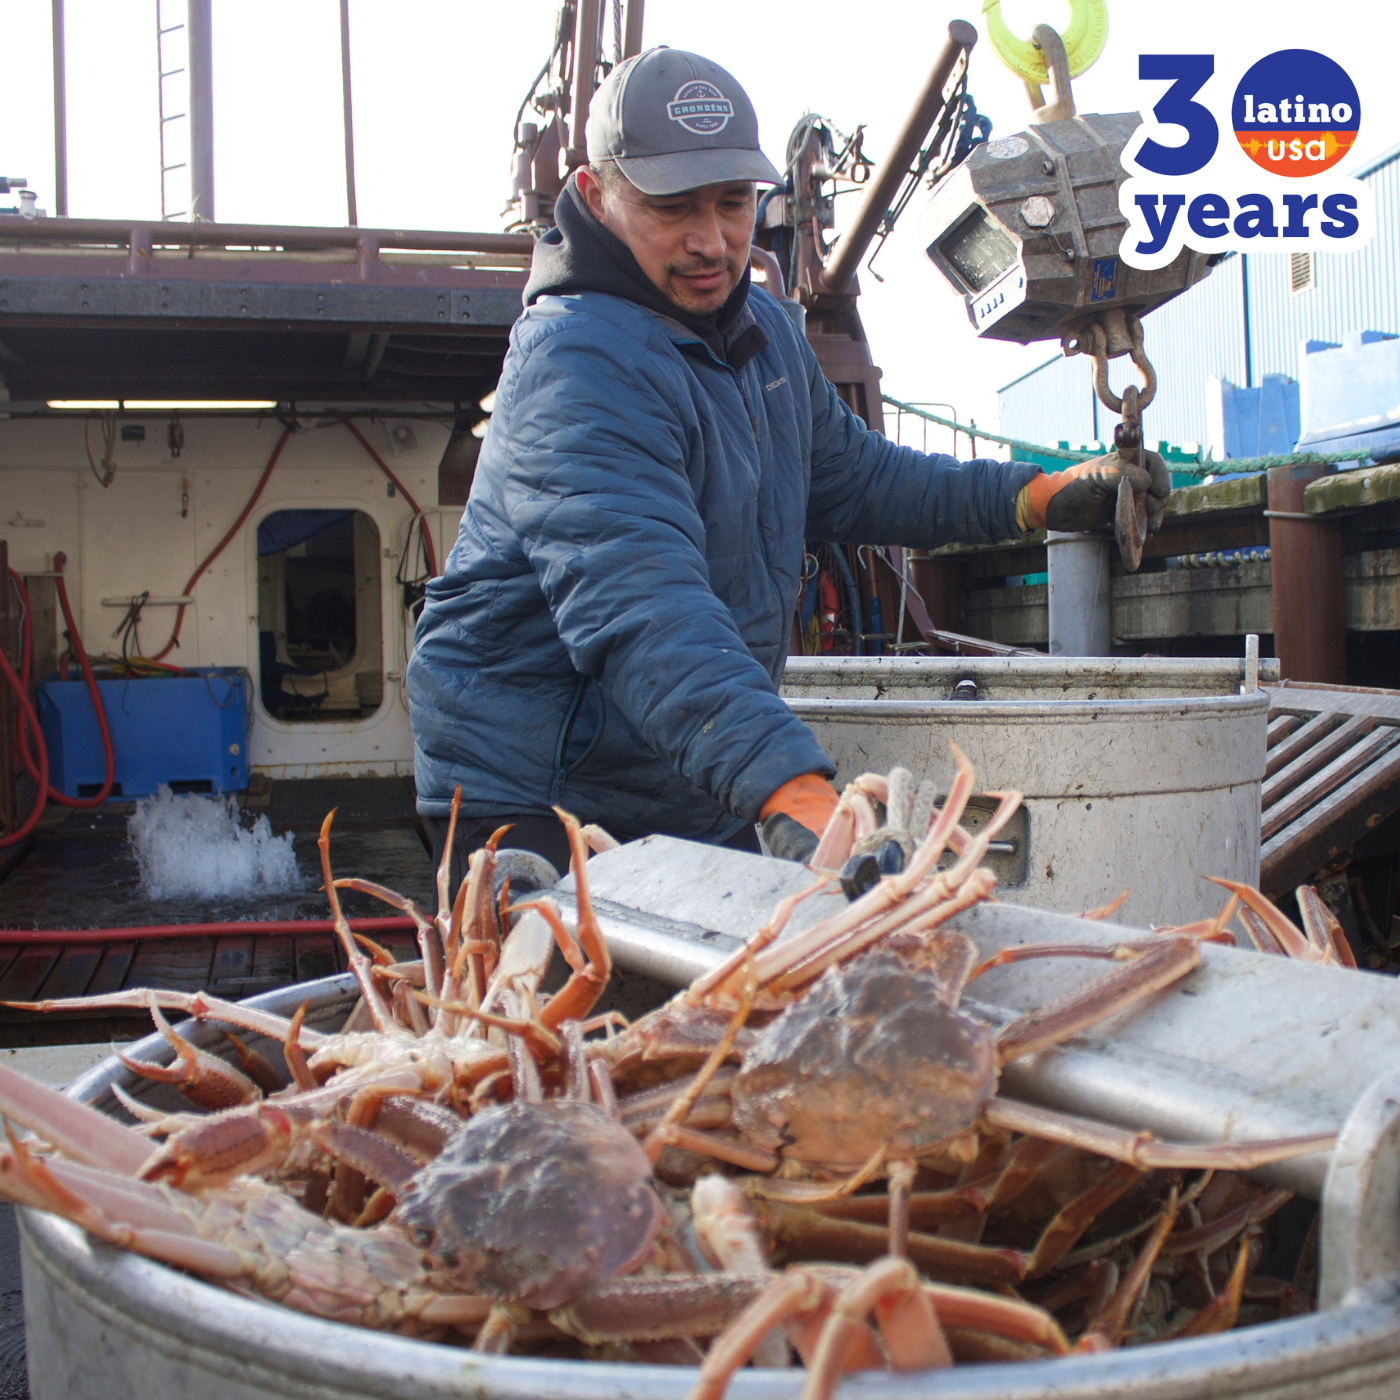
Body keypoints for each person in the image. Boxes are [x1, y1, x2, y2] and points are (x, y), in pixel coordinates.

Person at [408, 46, 1168, 889]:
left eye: (733, 204)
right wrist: (798, 796)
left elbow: (862, 480)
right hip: (534, 789)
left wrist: (1039, 496)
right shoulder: (573, 358)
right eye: (671, 208)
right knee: (561, 1012)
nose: (711, 242)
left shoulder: (766, 333)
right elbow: (642, 606)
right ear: (596, 195)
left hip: (684, 777)